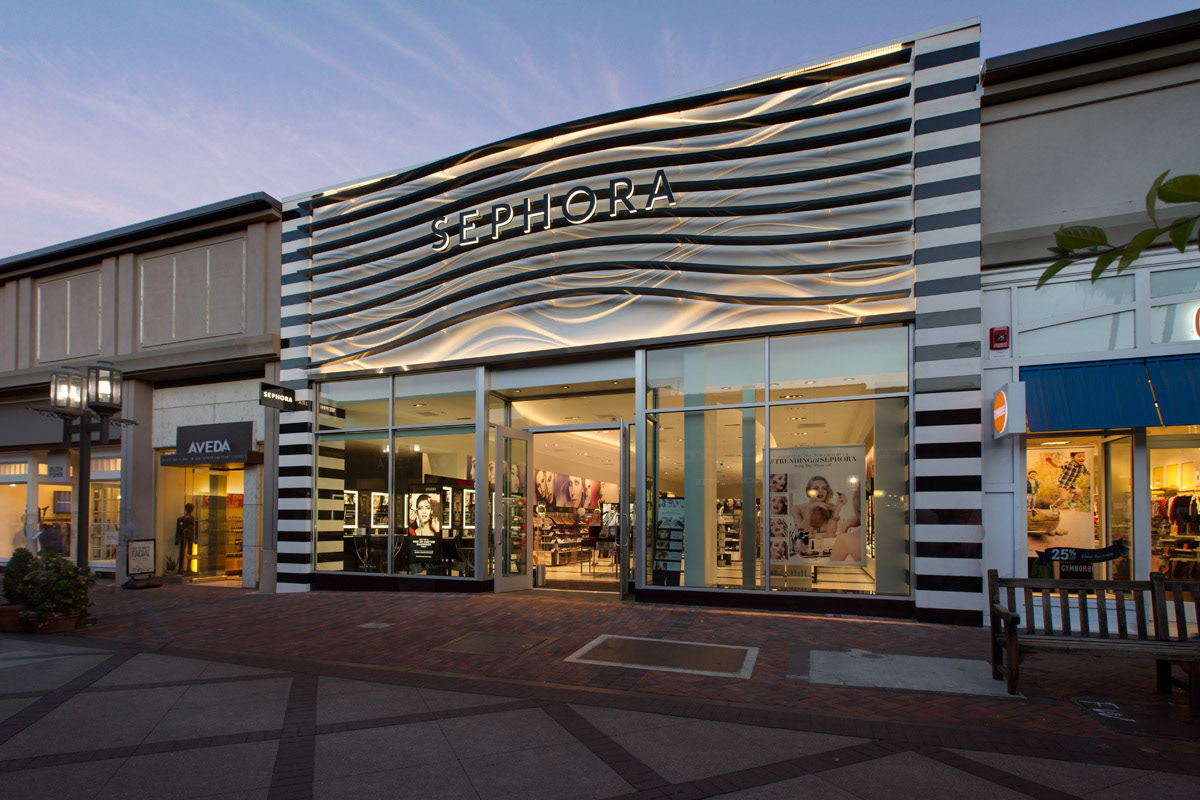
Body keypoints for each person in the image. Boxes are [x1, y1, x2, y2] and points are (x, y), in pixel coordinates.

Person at [174, 503, 197, 575]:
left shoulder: (194, 519)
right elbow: (178, 529)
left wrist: (196, 538)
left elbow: (196, 529)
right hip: (184, 534)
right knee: (182, 551)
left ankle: (188, 568)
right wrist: (177, 538)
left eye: (191, 508)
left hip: (190, 534)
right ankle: (181, 568)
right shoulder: (181, 519)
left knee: (190, 551)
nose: (190, 510)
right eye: (188, 508)